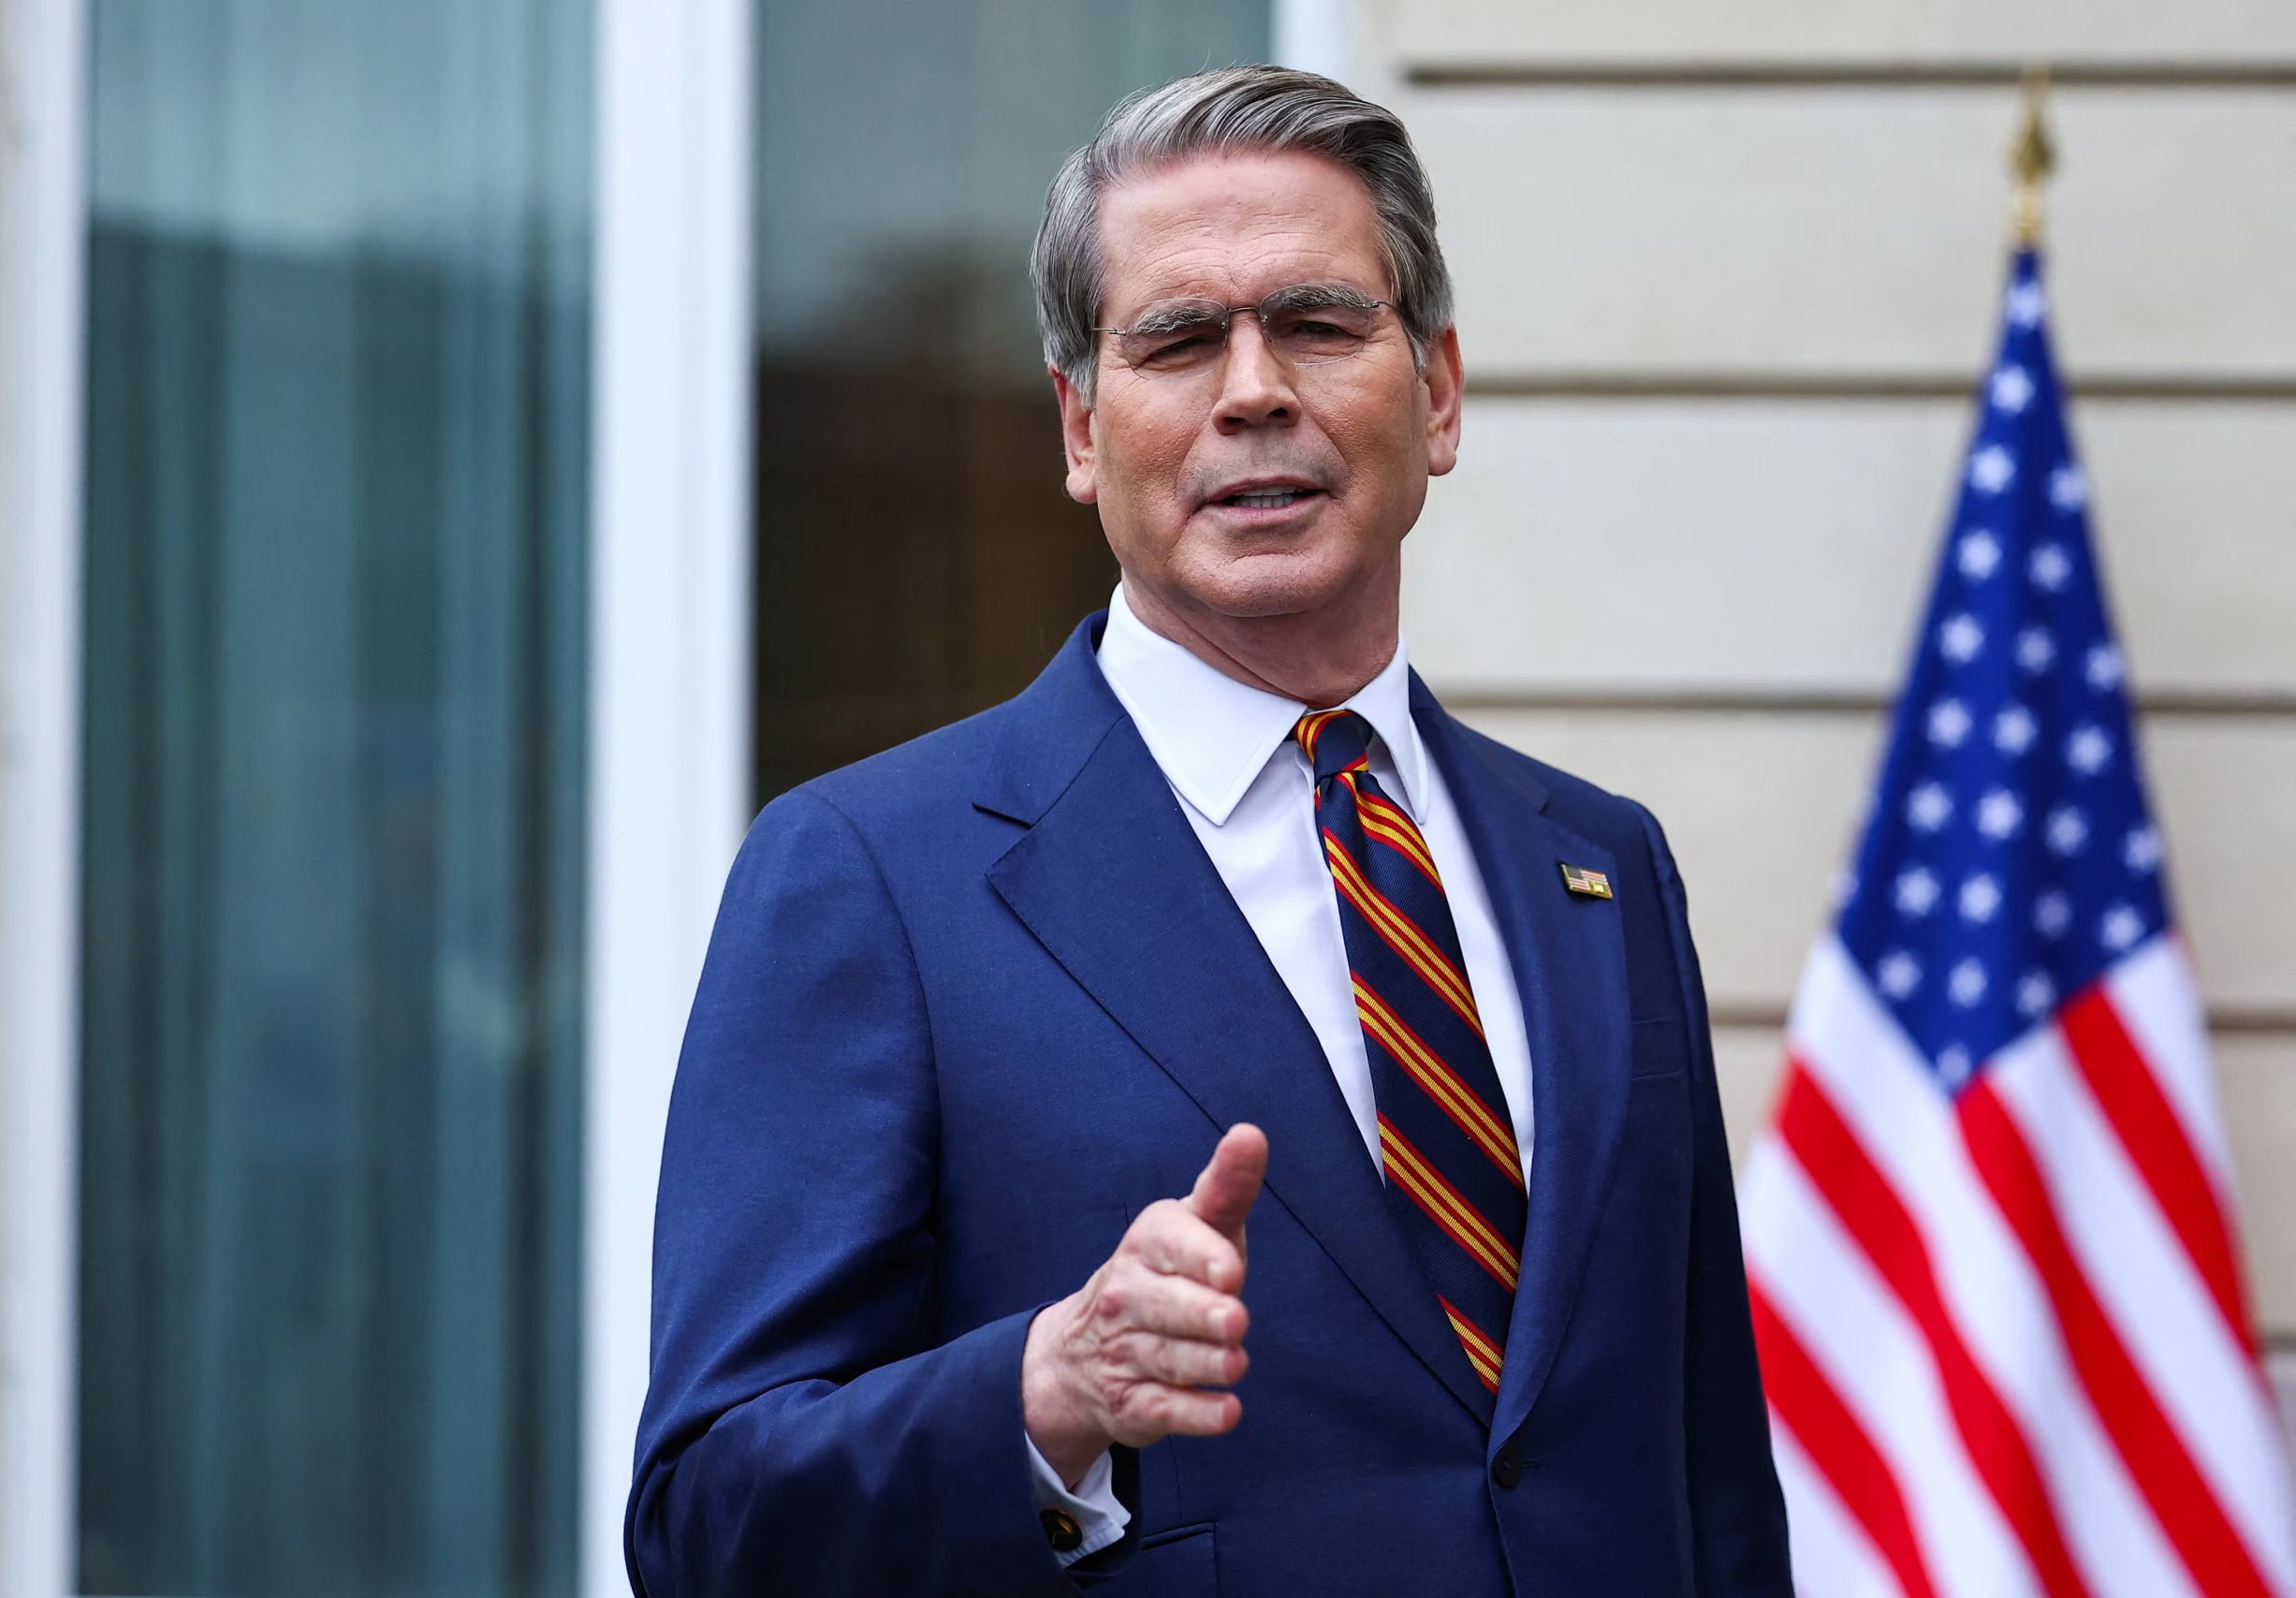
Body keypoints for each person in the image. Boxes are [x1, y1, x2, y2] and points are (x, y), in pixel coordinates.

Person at [627, 65, 1791, 1595]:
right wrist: (1041, 1399)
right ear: (1082, 431)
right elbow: (710, 1520)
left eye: (1316, 322)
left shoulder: (1602, 867)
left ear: (1436, 391)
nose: (1254, 389)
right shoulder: (872, 879)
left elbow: (1705, 1483)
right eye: (1179, 339)